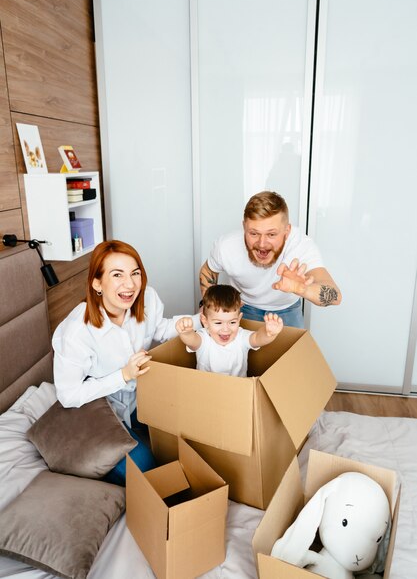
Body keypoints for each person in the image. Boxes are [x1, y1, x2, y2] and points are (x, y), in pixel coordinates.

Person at [52, 239, 199, 486]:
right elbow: (68, 395)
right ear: (97, 283)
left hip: (135, 401)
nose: (130, 284)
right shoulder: (77, 331)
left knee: (185, 441)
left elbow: (160, 329)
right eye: (117, 275)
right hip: (97, 412)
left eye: (135, 273)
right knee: (146, 469)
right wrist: (123, 375)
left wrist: (201, 320)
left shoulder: (147, 298)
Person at [199, 191, 341, 328]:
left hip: (287, 310)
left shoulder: (301, 246)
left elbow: (336, 296)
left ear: (287, 231)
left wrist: (302, 289)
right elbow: (208, 271)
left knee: (291, 353)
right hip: (242, 308)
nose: (262, 244)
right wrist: (209, 308)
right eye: (254, 233)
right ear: (244, 227)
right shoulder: (227, 246)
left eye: (271, 234)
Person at [175, 284, 283, 377]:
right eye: (218, 323)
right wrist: (186, 333)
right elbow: (192, 341)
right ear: (205, 321)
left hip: (238, 390)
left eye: (232, 322)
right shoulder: (203, 337)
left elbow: (257, 338)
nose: (226, 329)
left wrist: (269, 333)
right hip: (206, 389)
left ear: (239, 319)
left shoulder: (241, 336)